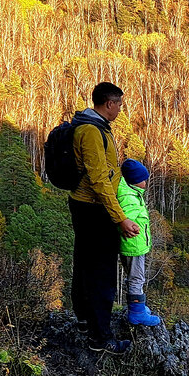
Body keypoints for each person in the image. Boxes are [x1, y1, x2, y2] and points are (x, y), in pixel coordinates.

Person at [69, 81, 139, 353]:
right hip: (94, 209)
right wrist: (119, 217)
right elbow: (99, 179)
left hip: (86, 206)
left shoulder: (92, 125)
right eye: (119, 103)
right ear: (109, 103)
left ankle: (85, 320)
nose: (121, 108)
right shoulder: (90, 131)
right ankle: (101, 338)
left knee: (85, 264)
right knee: (101, 273)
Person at [118, 159, 161, 326]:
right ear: (136, 181)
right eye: (144, 179)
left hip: (134, 244)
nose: (146, 182)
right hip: (133, 246)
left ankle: (139, 307)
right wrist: (130, 226)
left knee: (135, 276)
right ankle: (136, 313)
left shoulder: (130, 191)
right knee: (136, 278)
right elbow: (124, 217)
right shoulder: (128, 197)